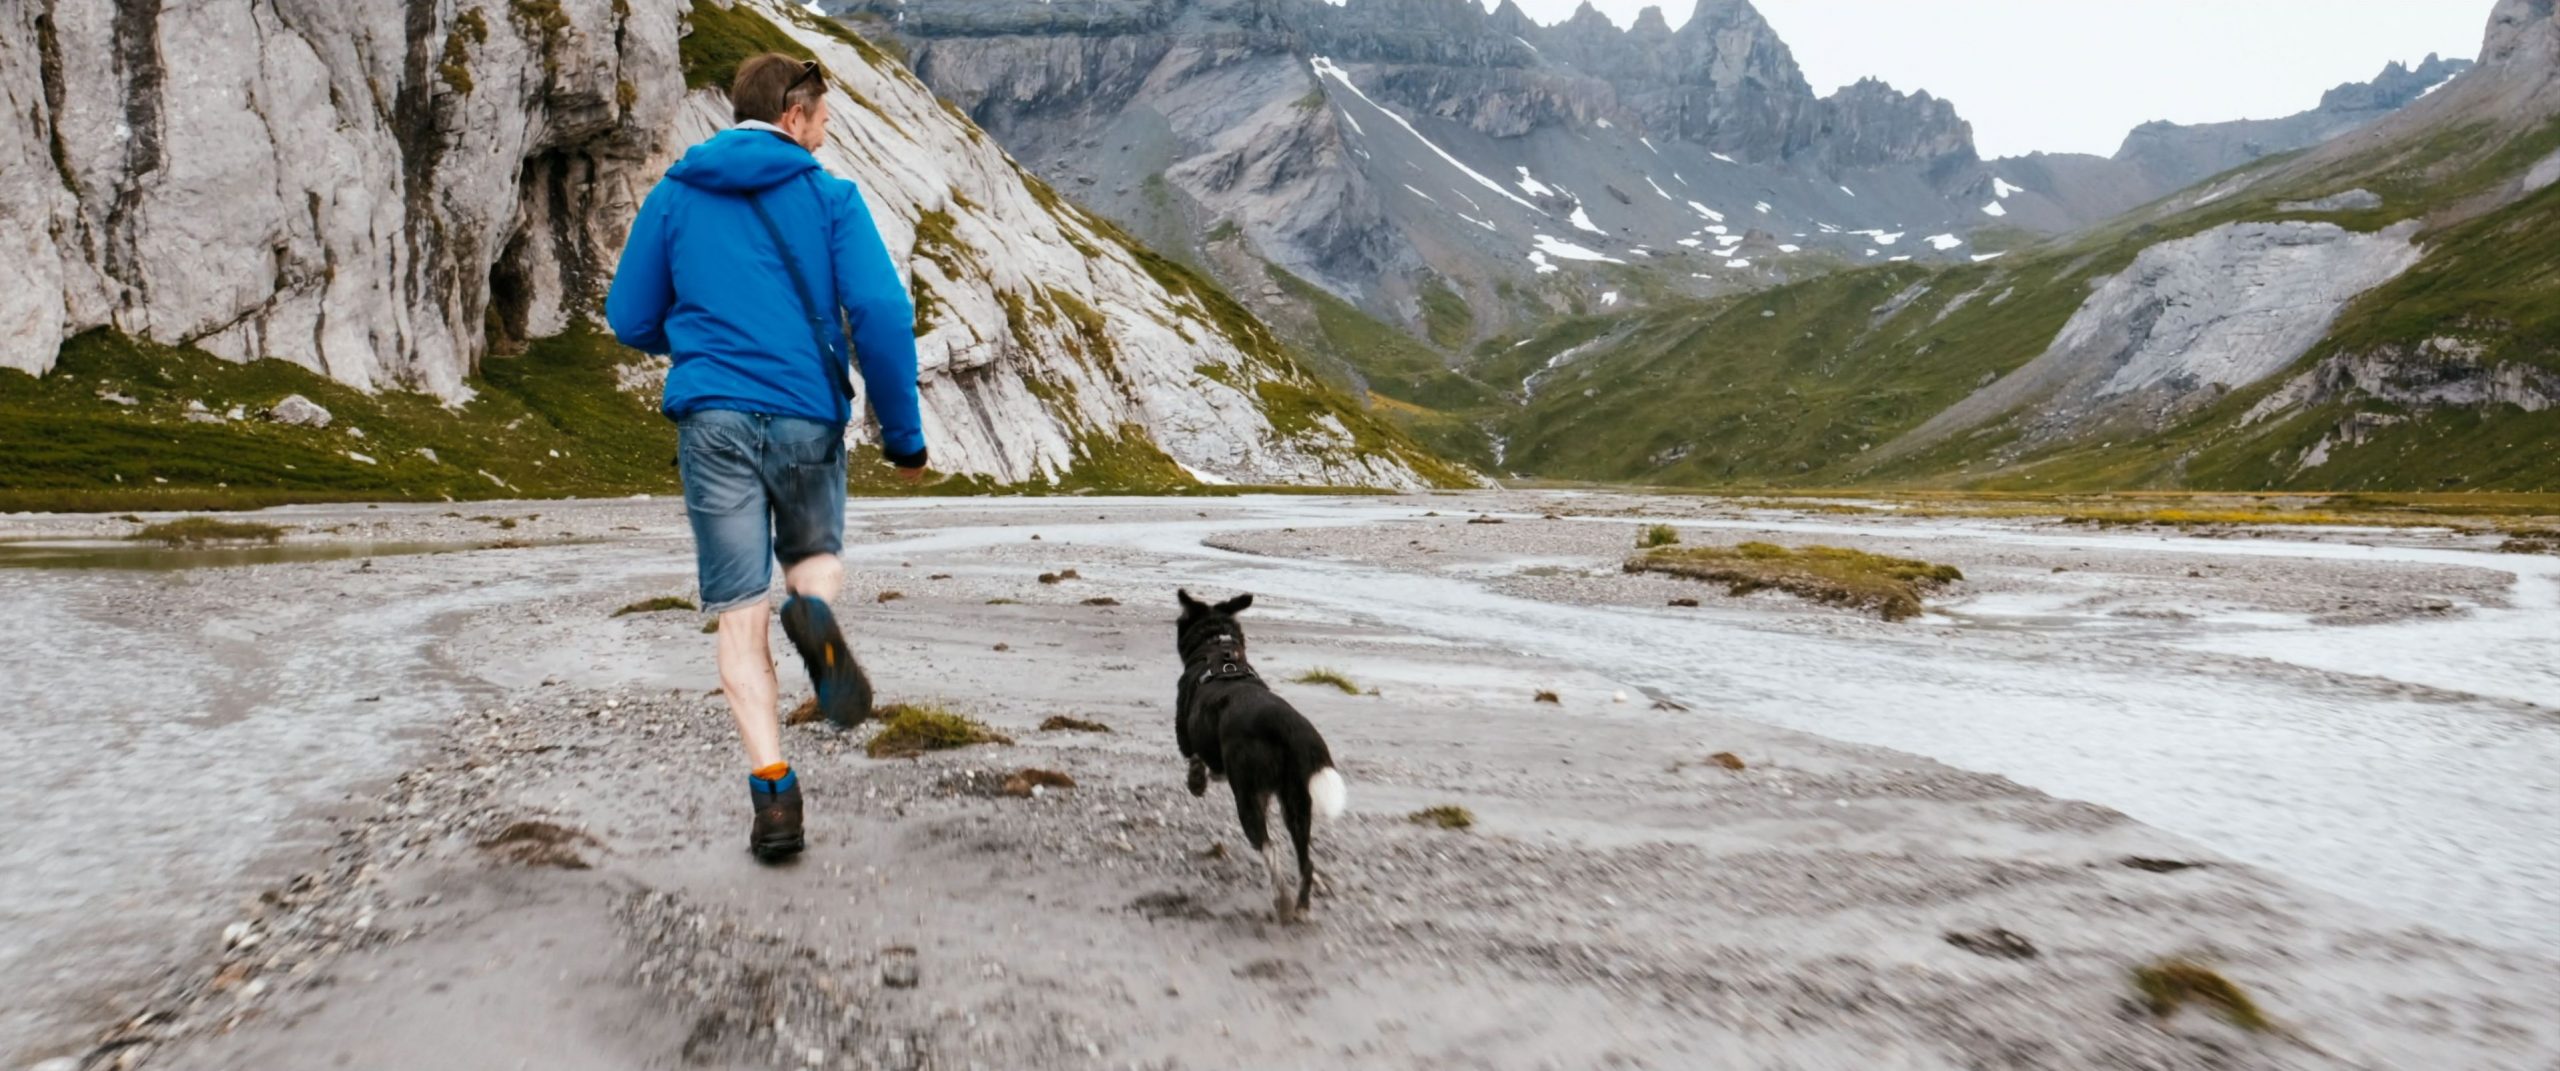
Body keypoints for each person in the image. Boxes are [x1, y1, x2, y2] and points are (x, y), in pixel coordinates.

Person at [605, 52, 928, 863]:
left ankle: (774, 794)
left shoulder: (676, 192)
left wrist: (692, 339)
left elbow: (628, 315)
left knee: (738, 611)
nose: (825, 136)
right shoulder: (829, 197)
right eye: (821, 120)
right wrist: (904, 435)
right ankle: (813, 610)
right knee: (813, 555)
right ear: (792, 115)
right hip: (805, 416)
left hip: (711, 418)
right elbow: (882, 313)